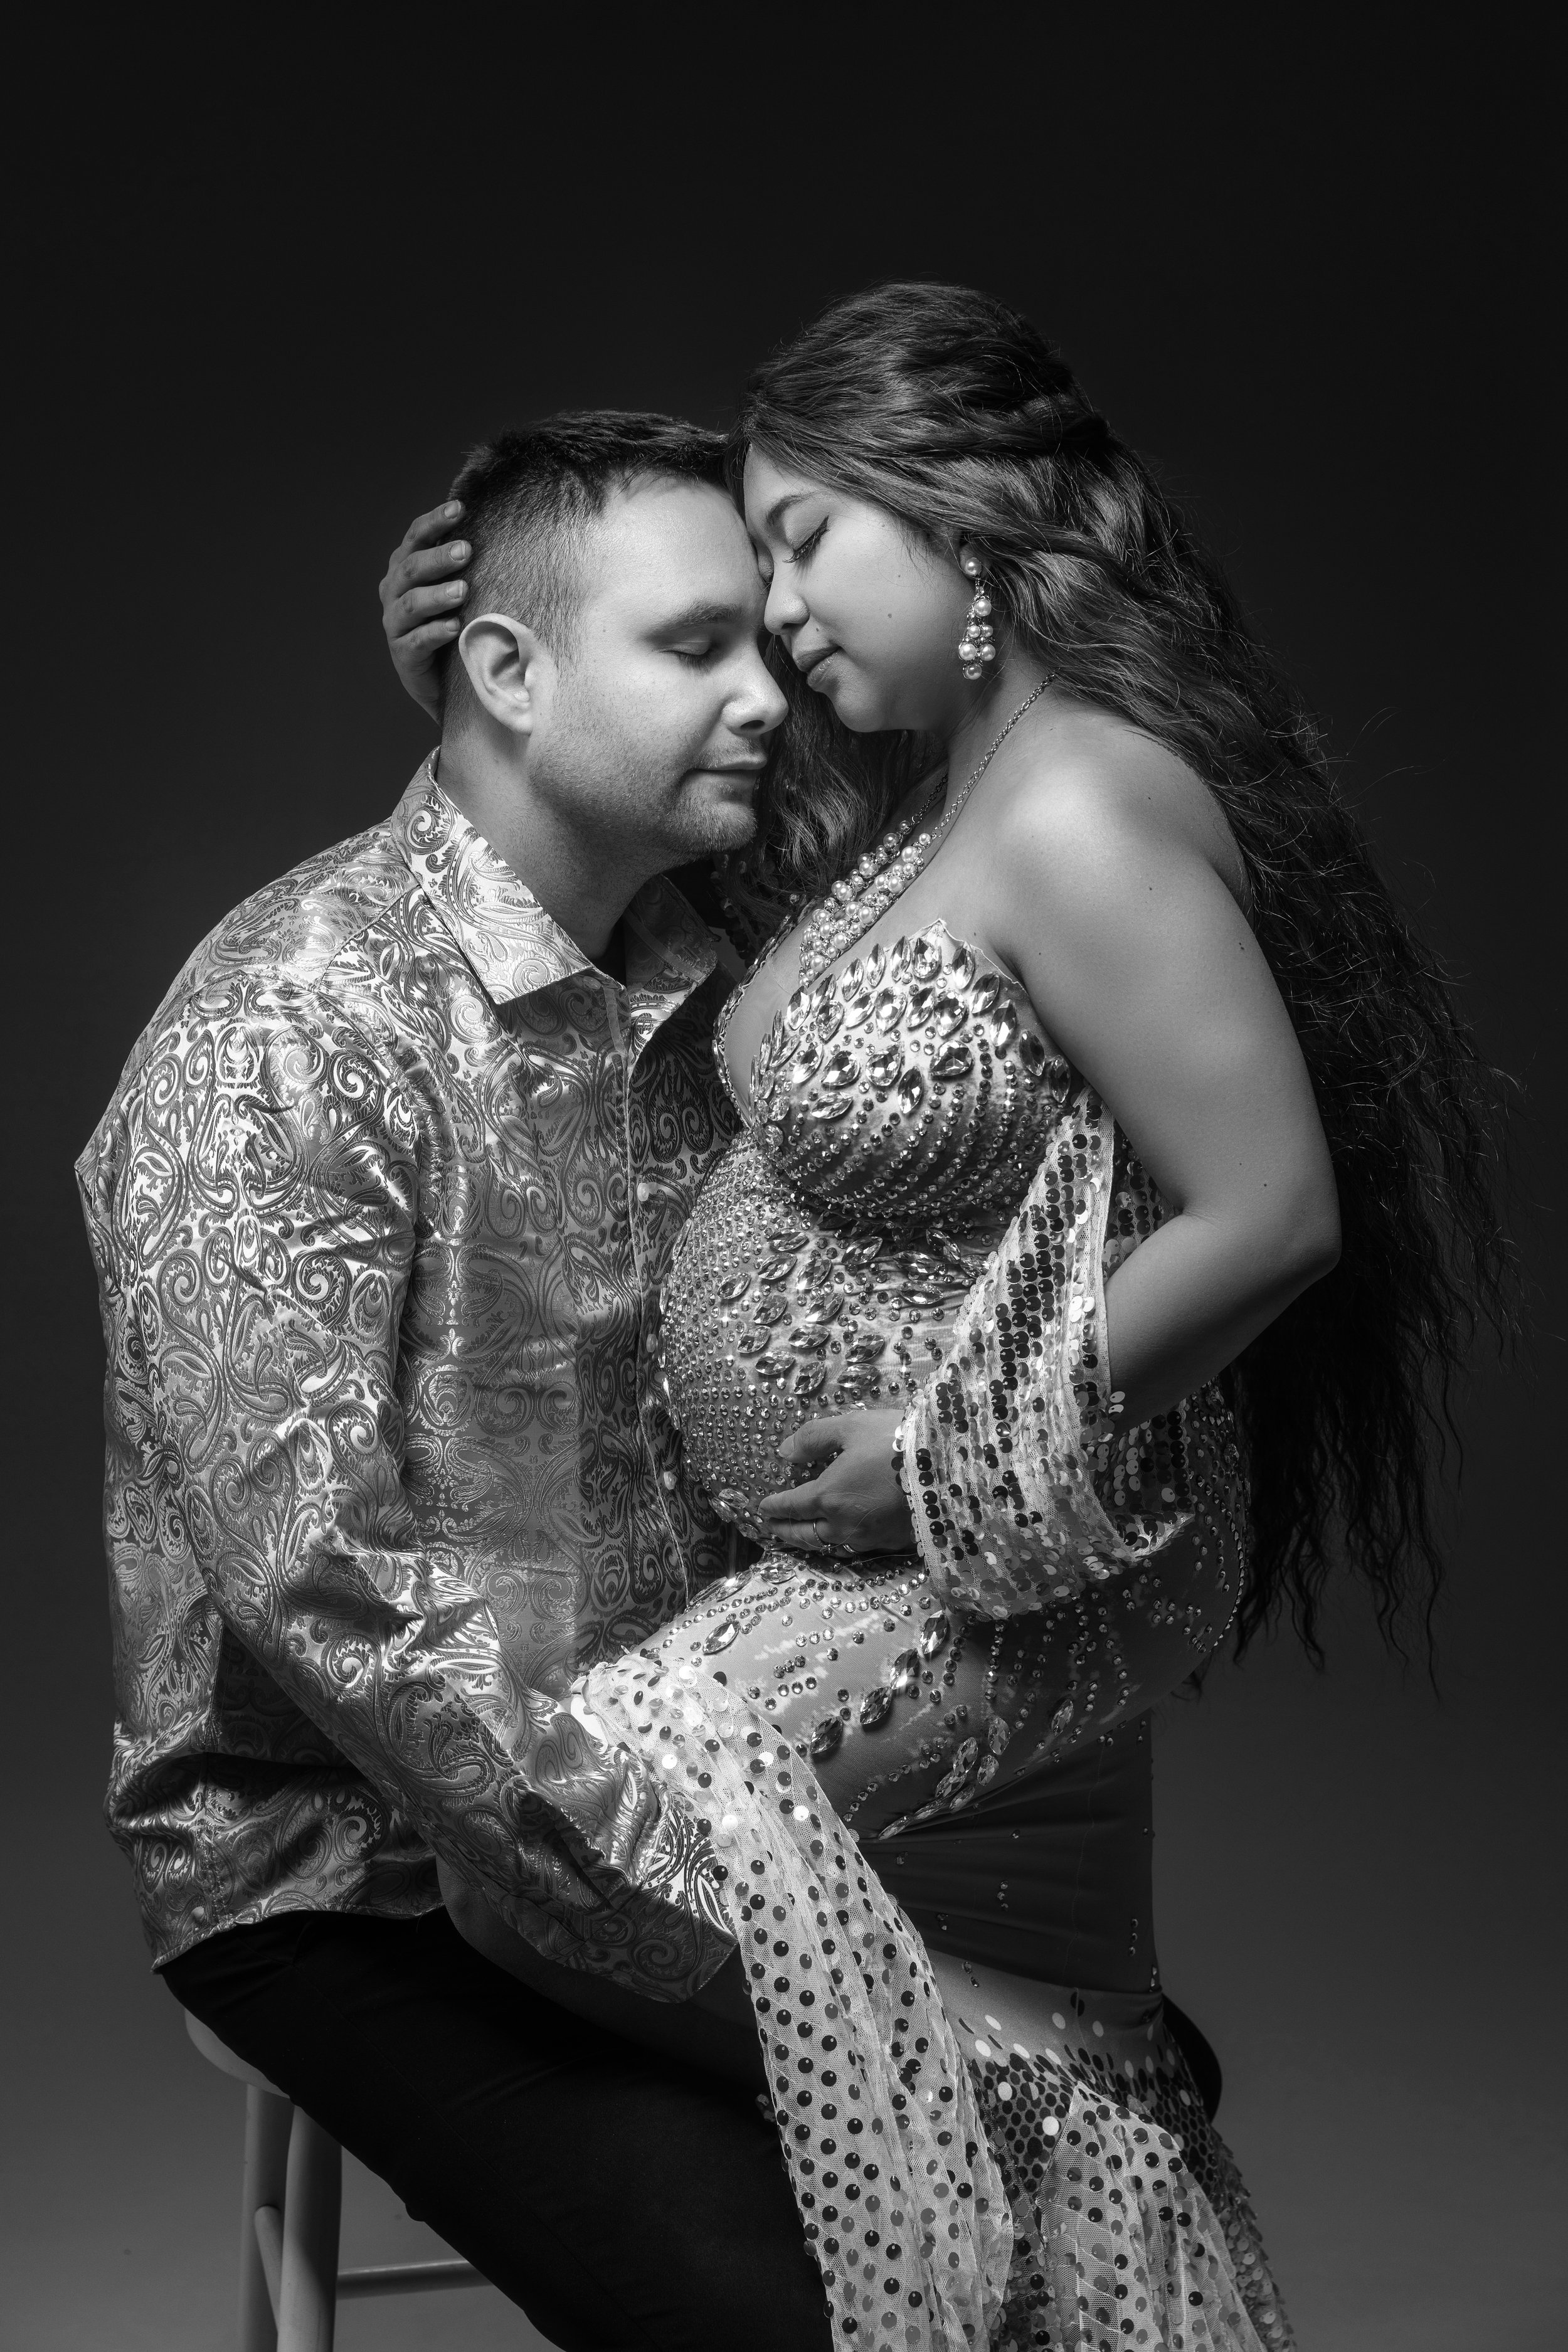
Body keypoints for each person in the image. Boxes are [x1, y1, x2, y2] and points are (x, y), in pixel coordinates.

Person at [378, 285, 1510, 2351]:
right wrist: (470, 686)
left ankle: (962, 2252)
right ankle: (1042, 2207)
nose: (780, 611)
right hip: (900, 1541)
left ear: (965, 519)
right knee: (896, 1952)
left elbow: (1269, 1212)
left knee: (602, 1804)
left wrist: (934, 1447)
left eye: (805, 542)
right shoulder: (928, 802)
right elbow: (609, 877)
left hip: (1017, 1533)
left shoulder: (1078, 800)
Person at [77, 412, 845, 2352]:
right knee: (786, 2302)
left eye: (768, 641)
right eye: (694, 649)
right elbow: (332, 1600)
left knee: (1104, 2107)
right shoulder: (284, 1028)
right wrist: (737, 1938)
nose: (768, 697)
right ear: (500, 672)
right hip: (356, 1864)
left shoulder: (728, 973)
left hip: (709, 1788)